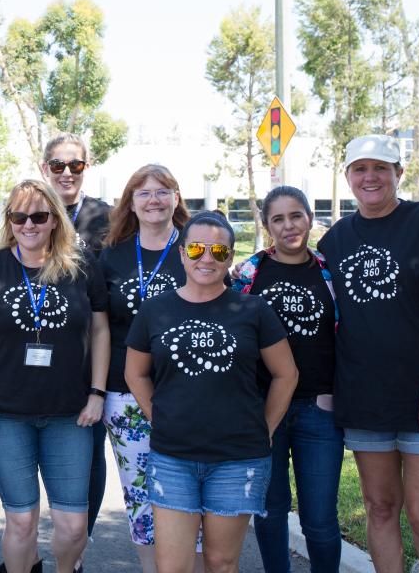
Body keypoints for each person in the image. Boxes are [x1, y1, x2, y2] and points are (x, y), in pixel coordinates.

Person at [316, 135, 419, 573]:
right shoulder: (335, 240)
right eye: (359, 169)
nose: (369, 177)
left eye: (380, 168)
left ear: (398, 174)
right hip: (366, 397)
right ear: (348, 177)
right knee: (380, 508)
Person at [0, 179, 111, 573]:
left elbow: (101, 330)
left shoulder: (80, 266)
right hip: (3, 417)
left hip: (69, 415)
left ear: (55, 218)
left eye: (39, 216)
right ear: (9, 221)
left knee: (73, 528)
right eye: (18, 217)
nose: (29, 224)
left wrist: (97, 392)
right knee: (22, 521)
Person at [125, 211, 299, 573]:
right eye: (197, 249)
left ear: (230, 257)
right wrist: (159, 417)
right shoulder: (155, 310)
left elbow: (286, 374)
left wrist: (264, 429)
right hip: (173, 457)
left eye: (218, 250)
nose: (207, 258)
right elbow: (135, 373)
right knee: (172, 565)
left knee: (221, 562)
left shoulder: (253, 309)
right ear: (182, 253)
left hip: (237, 459)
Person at [232, 186, 343, 573]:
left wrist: (333, 393)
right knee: (271, 509)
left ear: (310, 218)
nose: (289, 225)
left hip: (319, 410)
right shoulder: (248, 273)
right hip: (264, 409)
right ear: (266, 226)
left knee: (320, 518)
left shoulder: (331, 270)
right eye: (278, 219)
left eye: (296, 215)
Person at [97, 164, 190, 572]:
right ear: (130, 204)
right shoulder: (111, 256)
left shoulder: (195, 248)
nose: (154, 200)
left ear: (176, 198)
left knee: (190, 493)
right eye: (144, 193)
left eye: (162, 191)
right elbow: (97, 329)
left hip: (189, 392)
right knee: (141, 495)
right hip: (125, 395)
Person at [40, 132, 112, 568]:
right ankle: (27, 549)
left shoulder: (109, 218)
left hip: (92, 355)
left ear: (87, 168)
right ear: (44, 166)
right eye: (58, 165)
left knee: (87, 457)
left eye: (76, 165)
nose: (67, 173)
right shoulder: (30, 210)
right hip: (34, 356)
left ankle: (75, 549)